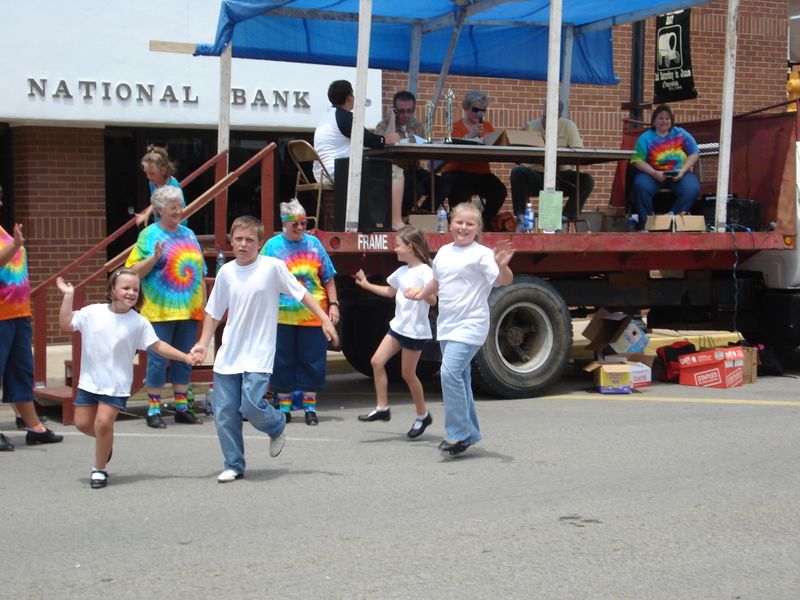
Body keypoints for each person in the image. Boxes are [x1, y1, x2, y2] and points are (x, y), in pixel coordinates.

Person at [190, 216, 339, 483]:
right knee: (225, 412)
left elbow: (302, 294)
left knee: (250, 406)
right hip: (229, 354)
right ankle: (234, 464)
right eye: (238, 239)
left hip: (258, 354)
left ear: (260, 243)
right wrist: (203, 343)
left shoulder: (272, 267)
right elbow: (213, 312)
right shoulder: (226, 273)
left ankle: (277, 424)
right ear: (231, 241)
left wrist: (325, 319)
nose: (243, 244)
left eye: (249, 240)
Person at [56, 269, 195, 488]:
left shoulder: (138, 322)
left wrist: (185, 357)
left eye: (135, 289)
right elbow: (66, 324)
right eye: (125, 288)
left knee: (103, 423)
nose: (131, 292)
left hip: (116, 384)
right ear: (112, 290)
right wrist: (68, 295)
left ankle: (99, 469)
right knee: (83, 424)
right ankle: (106, 442)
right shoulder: (93, 312)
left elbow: (158, 345)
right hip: (89, 382)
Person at [406, 203, 514, 456]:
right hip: (447, 325)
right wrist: (422, 293)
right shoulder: (444, 252)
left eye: (470, 224)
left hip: (471, 324)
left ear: (478, 229)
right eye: (459, 222)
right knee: (461, 377)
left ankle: (457, 433)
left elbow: (503, 280)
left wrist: (502, 265)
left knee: (449, 373)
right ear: (451, 223)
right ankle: (470, 432)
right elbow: (437, 280)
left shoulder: (482, 254)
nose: (463, 228)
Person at [125, 186, 206, 428]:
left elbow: (201, 271)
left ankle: (181, 407)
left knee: (185, 358)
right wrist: (153, 258)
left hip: (189, 309)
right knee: (158, 360)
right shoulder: (148, 235)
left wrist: (202, 301)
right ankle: (153, 409)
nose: (179, 211)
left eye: (181, 206)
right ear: (160, 209)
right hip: (159, 310)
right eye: (173, 207)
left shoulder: (189, 235)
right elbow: (132, 272)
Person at [261, 199, 339, 426]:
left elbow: (328, 277)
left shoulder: (314, 244)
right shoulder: (272, 247)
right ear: (284, 223)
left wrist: (334, 304)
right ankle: (284, 408)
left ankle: (310, 408)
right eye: (295, 223)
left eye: (304, 223)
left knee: (312, 361)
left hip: (313, 315)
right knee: (282, 361)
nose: (300, 227)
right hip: (281, 314)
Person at [353, 225, 436, 438]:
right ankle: (383, 408)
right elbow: (391, 291)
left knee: (408, 374)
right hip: (398, 327)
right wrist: (366, 285)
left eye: (398, 245)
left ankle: (422, 415)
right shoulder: (401, 272)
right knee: (376, 362)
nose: (395, 249)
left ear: (410, 247)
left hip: (414, 331)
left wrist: (422, 292)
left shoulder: (426, 272)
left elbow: (433, 299)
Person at [0, 185, 63, 452]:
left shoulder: (3, 233)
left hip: (18, 314)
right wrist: (15, 245)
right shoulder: (9, 239)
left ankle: (33, 427)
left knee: (22, 373)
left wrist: (14, 243)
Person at [510, 100, 594, 225]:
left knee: (587, 180)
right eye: (546, 117)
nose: (549, 121)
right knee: (518, 172)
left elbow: (578, 153)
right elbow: (517, 160)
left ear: (560, 115)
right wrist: (520, 142)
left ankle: (566, 216)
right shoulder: (530, 126)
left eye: (554, 118)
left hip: (562, 175)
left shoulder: (569, 126)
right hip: (537, 174)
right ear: (543, 111)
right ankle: (521, 216)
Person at [440, 90, 507, 230]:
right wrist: (471, 135)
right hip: (458, 170)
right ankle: (456, 223)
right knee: (458, 188)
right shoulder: (456, 127)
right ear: (466, 108)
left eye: (483, 111)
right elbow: (452, 147)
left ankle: (483, 223)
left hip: (480, 172)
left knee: (499, 190)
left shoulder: (487, 127)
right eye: (475, 110)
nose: (479, 114)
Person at [374, 91, 440, 222]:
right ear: (395, 110)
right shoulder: (384, 125)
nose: (406, 115)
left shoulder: (418, 125)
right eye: (401, 111)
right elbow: (386, 141)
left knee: (442, 185)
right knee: (415, 186)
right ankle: (401, 215)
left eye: (409, 111)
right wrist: (392, 119)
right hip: (395, 171)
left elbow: (425, 143)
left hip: (415, 168)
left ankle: (423, 216)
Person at [631, 103, 701, 226]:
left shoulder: (681, 134)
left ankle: (671, 218)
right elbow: (637, 160)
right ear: (654, 121)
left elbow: (694, 153)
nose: (664, 121)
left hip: (679, 174)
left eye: (667, 118)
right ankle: (646, 223)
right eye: (661, 118)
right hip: (653, 174)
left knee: (692, 188)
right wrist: (654, 173)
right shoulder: (645, 138)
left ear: (671, 120)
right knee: (641, 185)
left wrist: (683, 170)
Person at [136, 145, 186, 227]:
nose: (148, 177)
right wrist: (146, 214)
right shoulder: (152, 183)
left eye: (152, 173)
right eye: (146, 173)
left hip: (175, 225)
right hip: (161, 224)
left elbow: (179, 208)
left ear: (163, 170)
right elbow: (156, 202)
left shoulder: (172, 185)